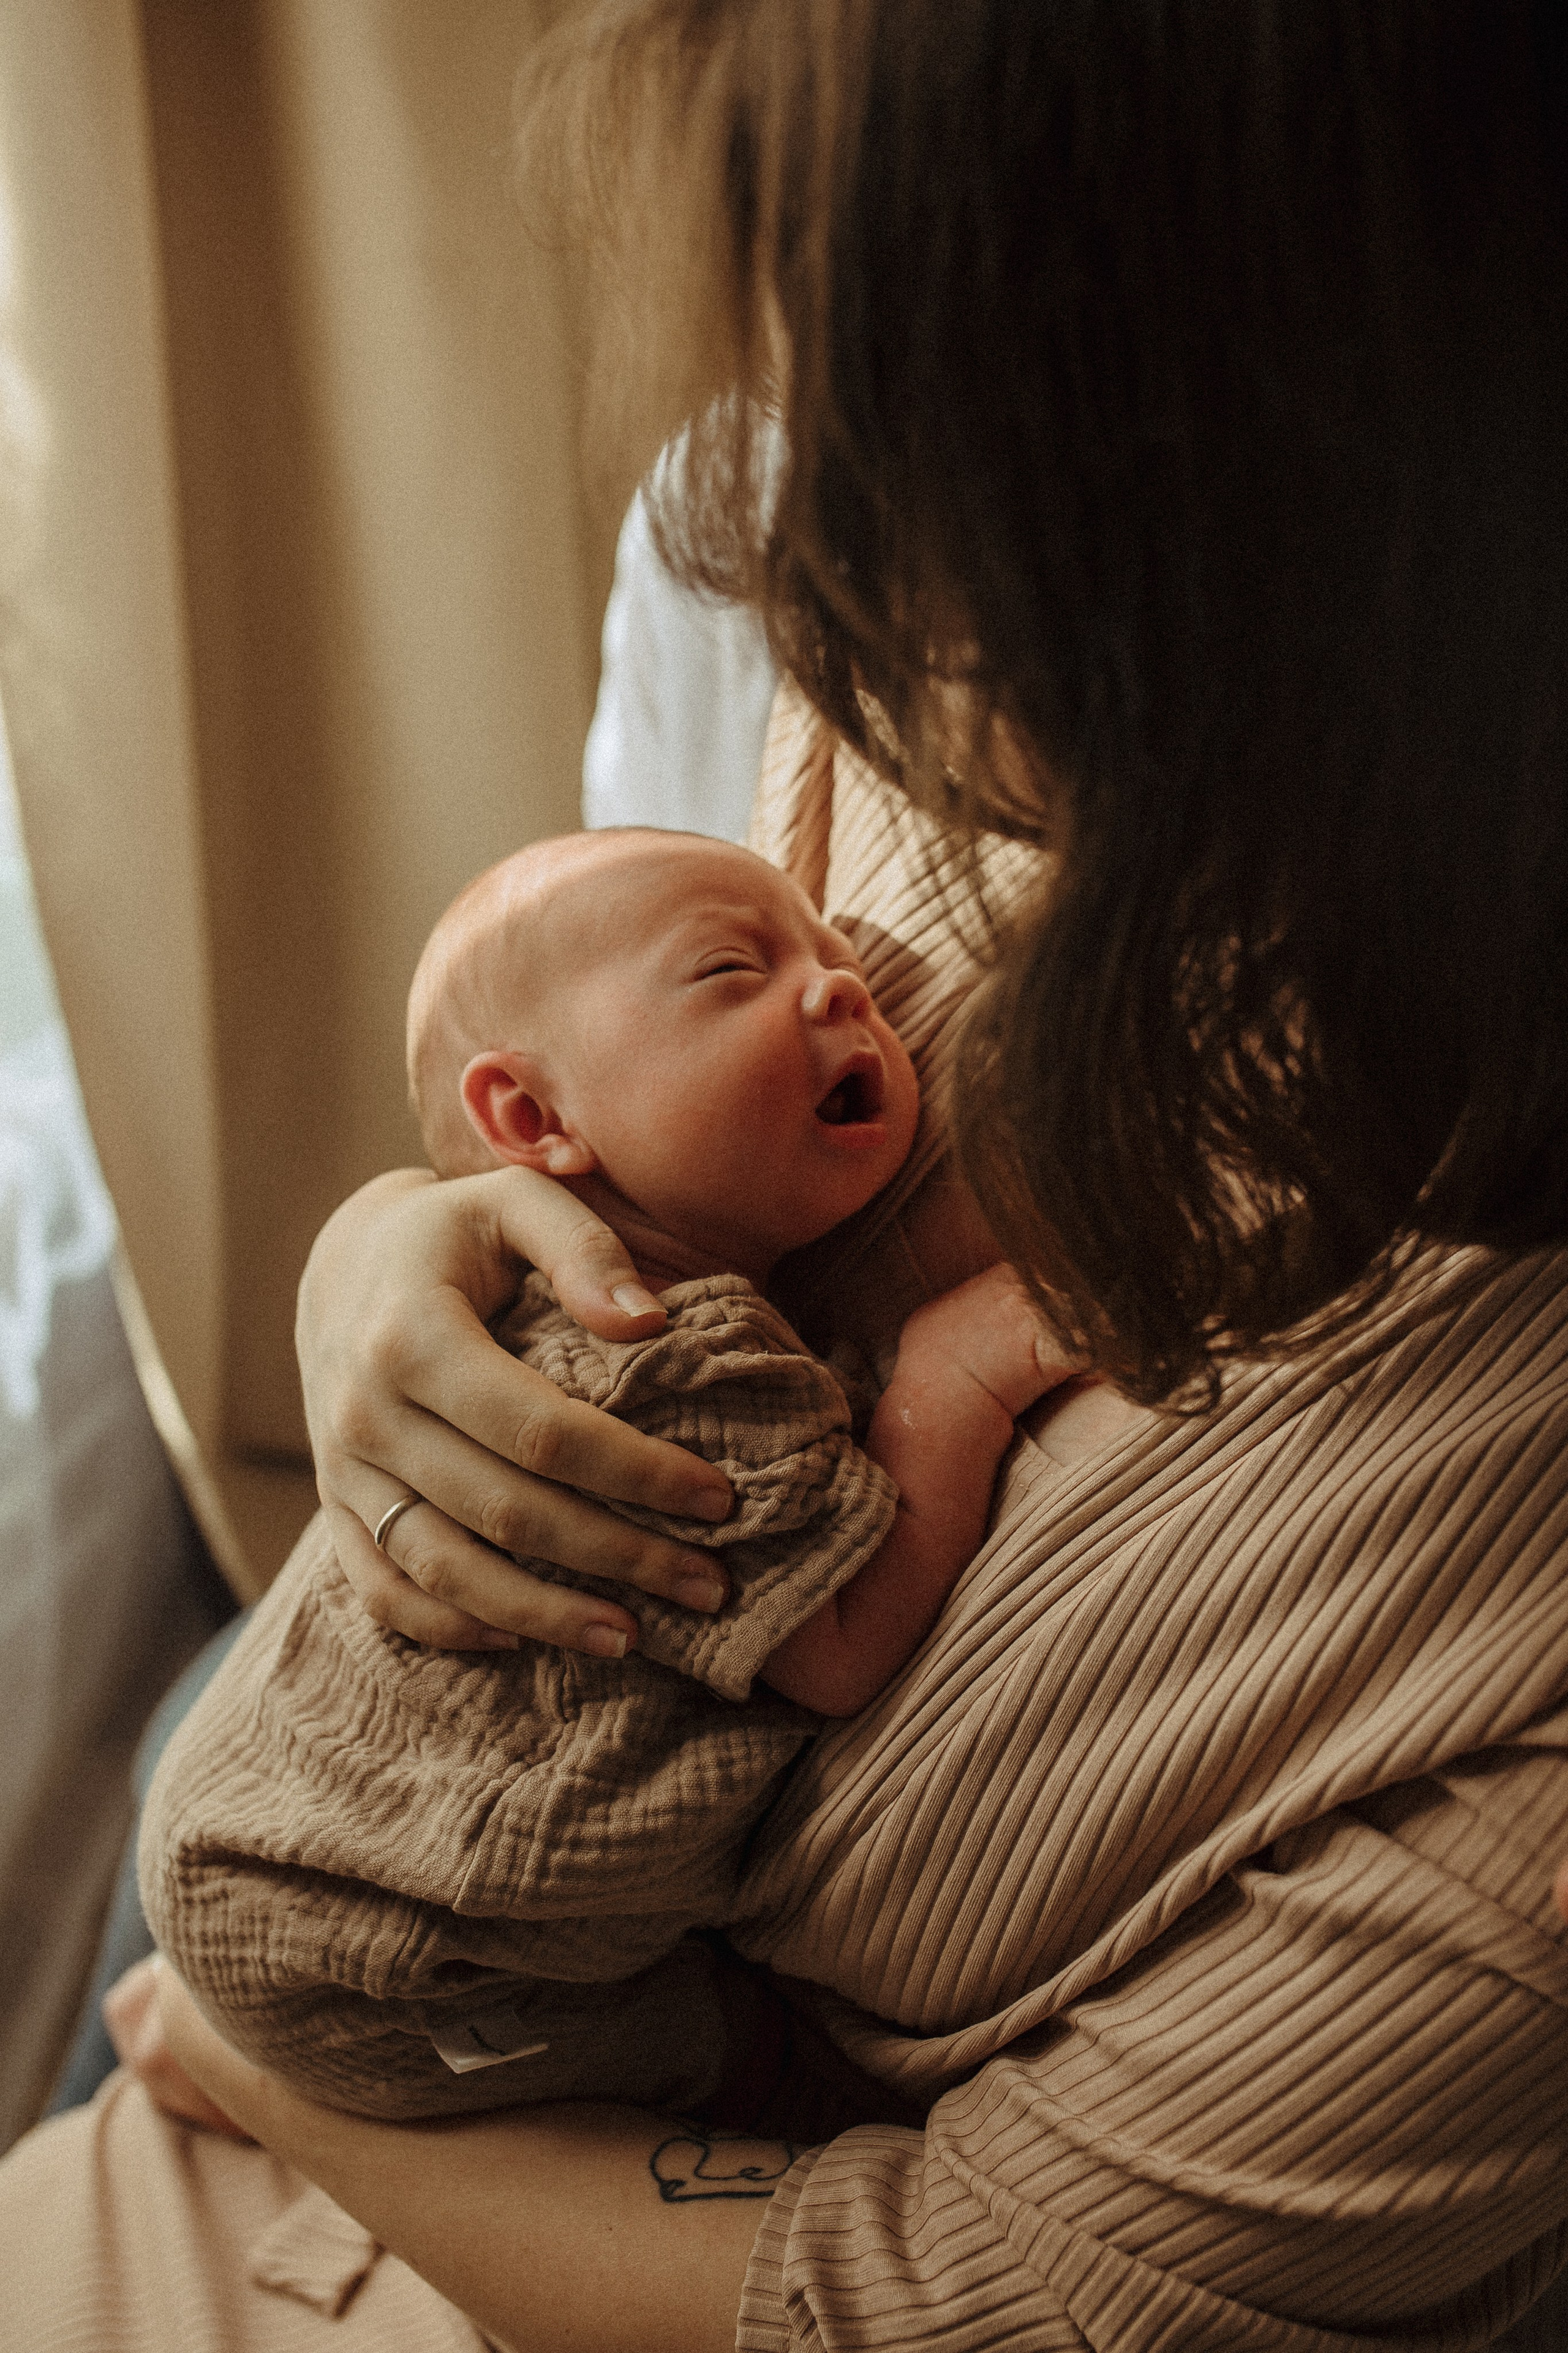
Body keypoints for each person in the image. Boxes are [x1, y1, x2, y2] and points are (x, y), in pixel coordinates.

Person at [3, 4, 1568, 2350]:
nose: (782, 537)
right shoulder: (979, 733)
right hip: (348, 1963)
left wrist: (308, 2098)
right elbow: (619, 1098)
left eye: (900, 449)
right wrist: (391, 1268)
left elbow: (923, 2301)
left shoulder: (1497, 1652)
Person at [140, 828, 1060, 2121]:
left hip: (247, 1825)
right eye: (731, 973)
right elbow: (837, 1643)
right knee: (760, 2063)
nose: (838, 986)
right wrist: (951, 1380)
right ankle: (229, 2072)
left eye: (838, 953)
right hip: (384, 1963)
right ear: (532, 1118)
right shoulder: (659, 1357)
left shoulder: (530, 1296)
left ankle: (190, 2038)